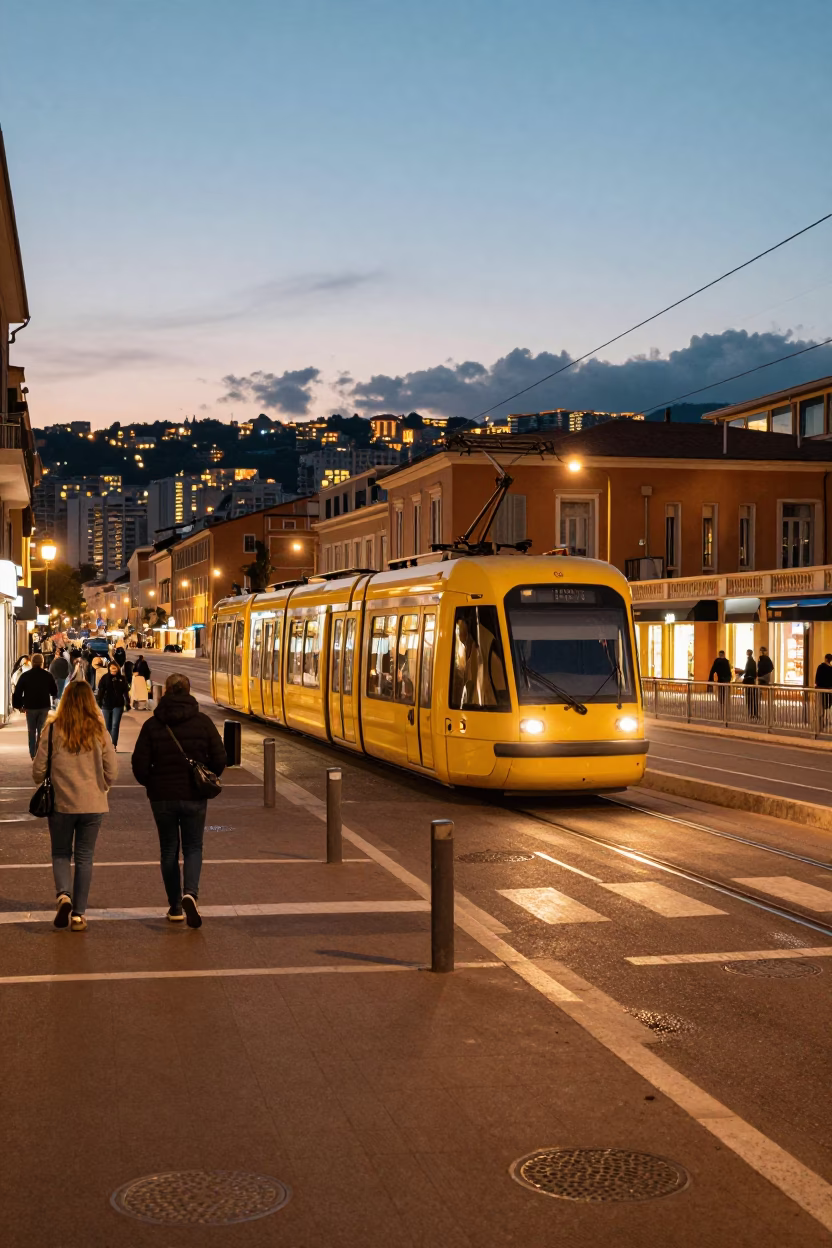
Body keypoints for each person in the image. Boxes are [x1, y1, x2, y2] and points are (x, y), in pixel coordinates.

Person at [131, 672, 226, 927]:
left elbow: (138, 764)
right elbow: (219, 759)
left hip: (162, 797)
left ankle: (174, 907)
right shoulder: (203, 722)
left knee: (168, 850)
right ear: (188, 690)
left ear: (166, 692)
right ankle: (190, 894)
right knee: (194, 846)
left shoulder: (153, 724)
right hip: (194, 795)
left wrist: (152, 782)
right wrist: (206, 778)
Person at [32, 681, 117, 932]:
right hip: (92, 803)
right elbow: (112, 769)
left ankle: (63, 896)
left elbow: (38, 771)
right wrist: (103, 784)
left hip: (61, 803)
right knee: (84, 857)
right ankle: (79, 915)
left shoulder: (52, 729)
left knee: (60, 853)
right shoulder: (99, 729)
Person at [12, 652, 58, 759]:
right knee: (42, 731)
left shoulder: (25, 676)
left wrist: (19, 705)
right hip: (44, 706)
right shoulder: (47, 675)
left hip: (30, 707)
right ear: (42, 663)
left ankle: (33, 754)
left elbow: (18, 692)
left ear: (32, 663)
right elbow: (54, 691)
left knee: (31, 731)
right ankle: (40, 753)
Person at [96, 660, 131, 747]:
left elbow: (125, 692)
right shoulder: (105, 678)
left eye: (115, 670)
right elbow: (101, 690)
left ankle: (113, 745)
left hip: (118, 704)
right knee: (107, 727)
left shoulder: (122, 679)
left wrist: (127, 702)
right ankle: (108, 744)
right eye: (112, 670)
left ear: (118, 669)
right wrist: (99, 702)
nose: (113, 672)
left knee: (115, 725)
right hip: (106, 705)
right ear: (109, 669)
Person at [708, 649, 733, 715]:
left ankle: (722, 708)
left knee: (721, 695)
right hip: (726, 681)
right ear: (724, 654)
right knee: (726, 696)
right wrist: (729, 679)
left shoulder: (717, 661)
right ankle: (726, 709)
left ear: (719, 654)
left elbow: (712, 670)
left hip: (720, 681)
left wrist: (711, 679)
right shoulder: (726, 661)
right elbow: (729, 672)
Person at [736, 649, 758, 718]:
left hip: (749, 681)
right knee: (752, 698)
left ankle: (751, 713)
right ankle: (753, 712)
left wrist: (741, 673)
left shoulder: (750, 661)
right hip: (751, 681)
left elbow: (747, 671)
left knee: (749, 698)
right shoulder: (752, 661)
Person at [815, 653, 832, 730]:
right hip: (829, 691)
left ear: (825, 659)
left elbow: (817, 678)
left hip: (820, 690)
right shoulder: (831, 669)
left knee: (820, 708)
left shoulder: (820, 667)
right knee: (828, 707)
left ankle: (820, 725)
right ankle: (827, 723)